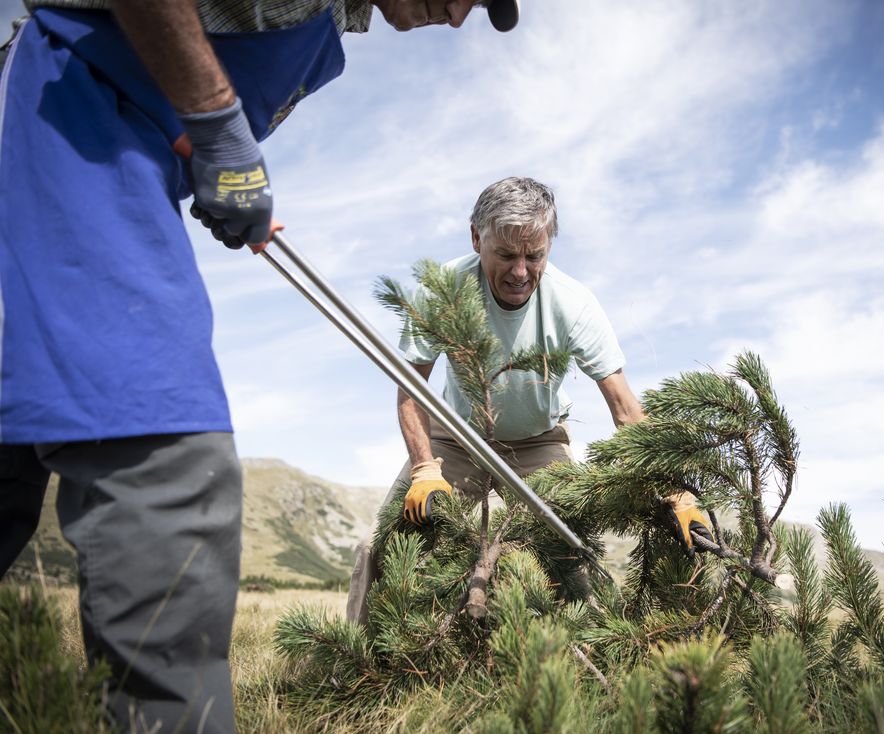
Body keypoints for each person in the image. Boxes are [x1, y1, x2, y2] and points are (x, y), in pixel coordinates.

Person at [0, 1, 517, 732]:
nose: (462, 15)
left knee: (16, 454)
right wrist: (218, 129)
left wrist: (202, 152)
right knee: (164, 458)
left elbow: (175, 89)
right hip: (63, 120)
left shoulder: (336, 23)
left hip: (124, 155)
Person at [345, 176, 713, 625]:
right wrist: (424, 469)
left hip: (538, 441)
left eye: (534, 255)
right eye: (506, 255)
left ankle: (581, 653)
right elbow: (411, 388)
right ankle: (356, 658)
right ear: (477, 238)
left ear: (549, 246)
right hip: (456, 435)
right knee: (378, 546)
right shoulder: (444, 290)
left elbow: (625, 410)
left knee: (570, 552)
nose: (521, 272)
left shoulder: (573, 304)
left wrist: (676, 490)